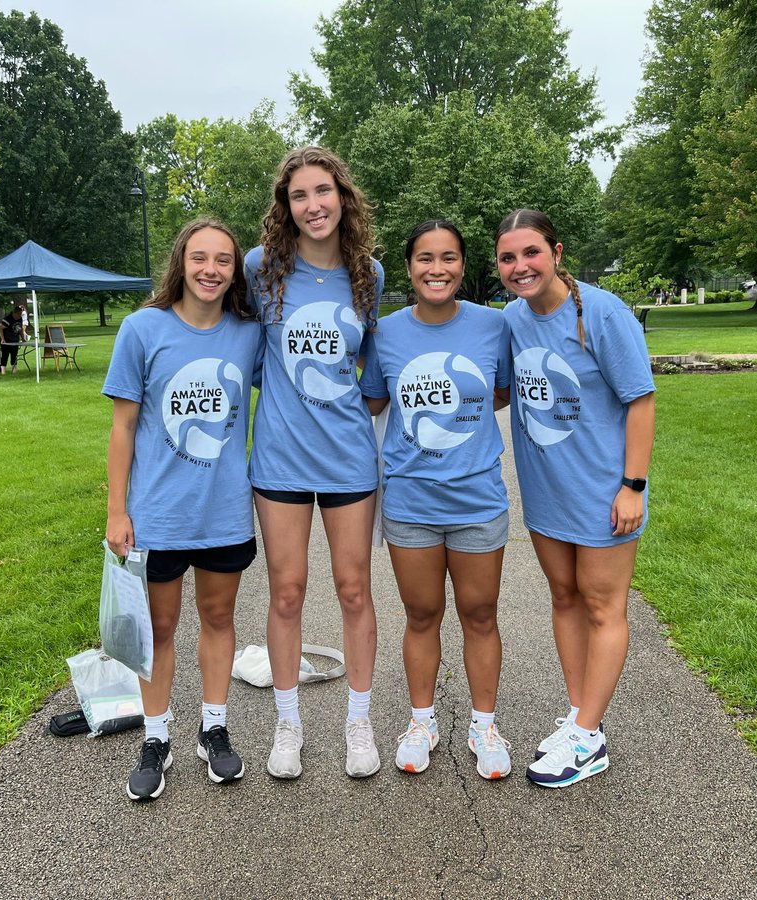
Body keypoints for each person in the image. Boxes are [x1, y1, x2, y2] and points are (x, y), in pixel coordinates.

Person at [103, 218, 263, 802]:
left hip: (223, 511)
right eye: (200, 258)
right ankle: (156, 737)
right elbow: (122, 427)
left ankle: (213, 728)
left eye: (224, 260)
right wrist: (117, 510)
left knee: (219, 620)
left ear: (235, 270)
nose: (211, 270)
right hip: (157, 515)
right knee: (161, 627)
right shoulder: (142, 329)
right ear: (181, 262)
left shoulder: (248, 333)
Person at [496, 209, 656, 789]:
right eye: (509, 257)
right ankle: (580, 717)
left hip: (602, 491)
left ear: (557, 253)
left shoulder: (603, 313)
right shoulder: (512, 319)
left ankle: (589, 737)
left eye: (531, 253)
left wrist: (632, 486)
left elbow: (640, 401)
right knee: (564, 597)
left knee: (602, 606)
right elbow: (494, 389)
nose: (520, 267)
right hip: (546, 492)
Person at [245, 145, 384, 779]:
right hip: (279, 460)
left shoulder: (369, 275)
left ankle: (359, 720)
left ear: (342, 197)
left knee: (355, 590)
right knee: (287, 591)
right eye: (299, 195)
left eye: (322, 191)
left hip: (350, 459)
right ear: (286, 206)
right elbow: (247, 355)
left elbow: (364, 362)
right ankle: (288, 723)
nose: (313, 205)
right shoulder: (261, 268)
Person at [359, 220, 514, 779]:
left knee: (480, 614)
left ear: (463, 266)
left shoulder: (494, 328)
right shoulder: (386, 334)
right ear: (409, 268)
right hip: (411, 504)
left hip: (477, 501)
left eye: (449, 258)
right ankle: (421, 721)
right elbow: (374, 402)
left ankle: (483, 724)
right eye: (425, 258)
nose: (437, 269)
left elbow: (501, 390)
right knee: (422, 614)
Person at [0, 306, 22, 375]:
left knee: (14, 355)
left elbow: (20, 329)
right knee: (5, 355)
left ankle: (14, 370)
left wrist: (23, 338)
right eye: (19, 314)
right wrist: (2, 339)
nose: (20, 316)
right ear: (14, 313)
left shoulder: (20, 319)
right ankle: (3, 371)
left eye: (21, 314)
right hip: (6, 340)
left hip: (15, 340)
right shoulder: (8, 319)